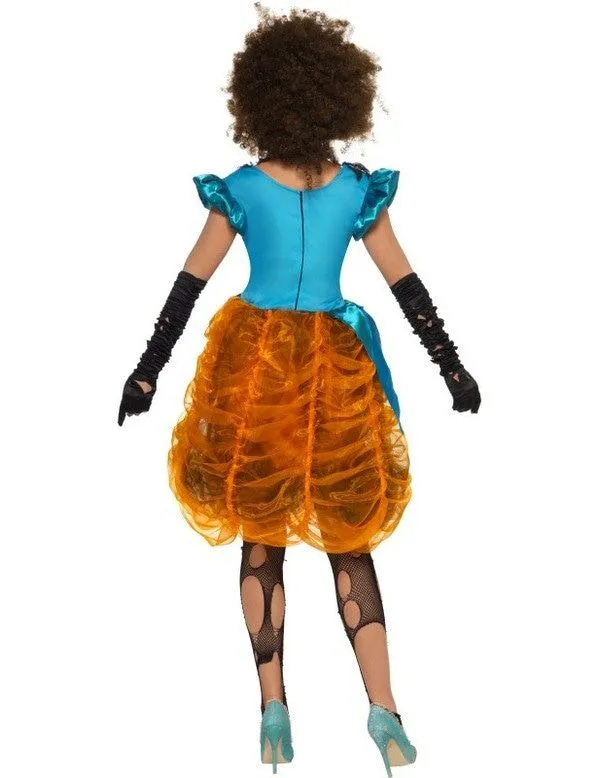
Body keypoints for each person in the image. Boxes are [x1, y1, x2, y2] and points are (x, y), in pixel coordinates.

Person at [118, 5, 480, 775]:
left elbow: (187, 285)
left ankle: (273, 709)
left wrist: (148, 368)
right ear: (337, 95)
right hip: (333, 368)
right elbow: (407, 286)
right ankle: (384, 710)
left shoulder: (244, 189)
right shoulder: (356, 191)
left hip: (257, 369)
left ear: (262, 98)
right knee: (350, 538)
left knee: (262, 535)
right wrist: (450, 364)